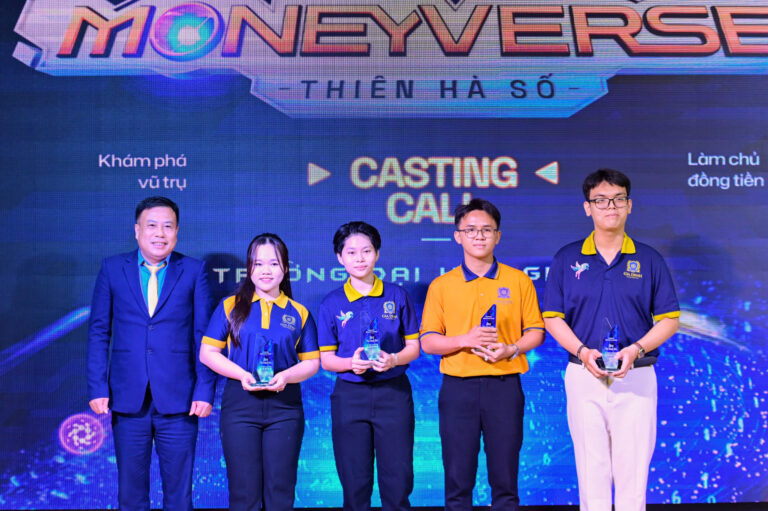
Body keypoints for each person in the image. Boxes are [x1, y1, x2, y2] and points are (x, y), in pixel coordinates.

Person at [542, 169, 680, 511]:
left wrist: (636, 349)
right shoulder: (567, 258)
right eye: (601, 200)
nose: (611, 207)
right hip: (583, 374)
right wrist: (582, 352)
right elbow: (552, 318)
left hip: (636, 375)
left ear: (629, 205)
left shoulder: (649, 259)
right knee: (592, 472)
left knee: (633, 475)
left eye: (618, 199)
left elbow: (669, 319)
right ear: (587, 207)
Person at [87, 196, 217, 511]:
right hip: (127, 399)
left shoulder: (194, 270)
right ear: (137, 230)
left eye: (168, 226)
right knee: (131, 496)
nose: (160, 233)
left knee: (179, 496)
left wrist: (204, 389)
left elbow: (204, 336)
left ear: (177, 232)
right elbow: (99, 331)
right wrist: (97, 387)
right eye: (152, 226)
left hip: (180, 400)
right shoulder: (112, 268)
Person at [420, 198, 545, 511]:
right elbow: (428, 342)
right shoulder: (441, 285)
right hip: (458, 388)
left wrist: (511, 349)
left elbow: (536, 331)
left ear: (498, 236)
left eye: (487, 230)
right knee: (458, 480)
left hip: (504, 386)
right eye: (471, 230)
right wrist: (465, 339)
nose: (479, 236)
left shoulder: (519, 280)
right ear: (457, 236)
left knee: (505, 479)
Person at [199, 233, 319, 511]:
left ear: (285, 268)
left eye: (274, 264)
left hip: (285, 409)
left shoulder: (299, 312)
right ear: (249, 267)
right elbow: (208, 353)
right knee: (243, 493)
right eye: (259, 263)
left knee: (280, 491)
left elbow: (312, 363)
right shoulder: (230, 306)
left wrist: (286, 377)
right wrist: (241, 374)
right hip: (240, 406)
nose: (266, 271)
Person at [317, 221, 420, 511]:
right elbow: (326, 359)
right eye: (351, 252)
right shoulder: (331, 303)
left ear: (377, 254)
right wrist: (350, 364)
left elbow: (414, 347)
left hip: (393, 393)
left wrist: (394, 359)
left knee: (398, 481)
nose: (359, 258)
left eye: (366, 251)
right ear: (340, 257)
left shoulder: (397, 295)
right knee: (355, 484)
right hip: (350, 396)